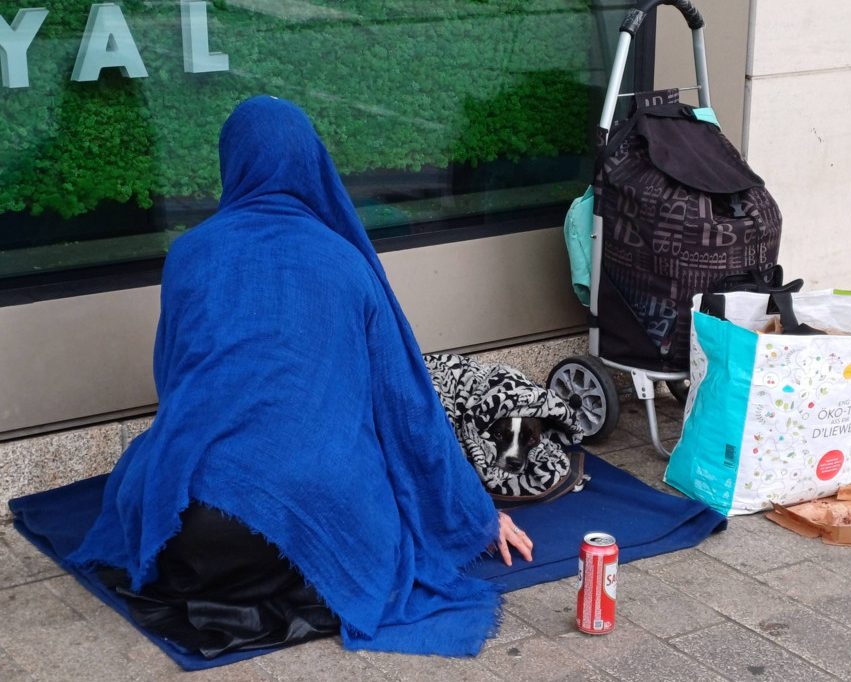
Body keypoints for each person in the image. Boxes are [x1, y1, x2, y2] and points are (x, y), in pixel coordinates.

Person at [67, 96, 533, 658]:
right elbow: (407, 410)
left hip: (188, 531)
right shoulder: (345, 261)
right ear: (311, 161)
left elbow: (175, 384)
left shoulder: (190, 253)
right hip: (320, 527)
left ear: (231, 163)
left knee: (152, 454)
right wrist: (474, 516)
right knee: (353, 468)